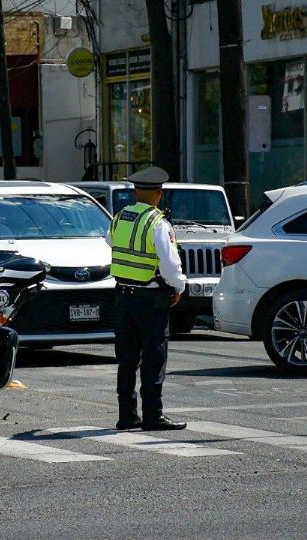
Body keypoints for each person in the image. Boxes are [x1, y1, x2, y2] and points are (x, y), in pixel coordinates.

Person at [107, 166, 188, 431]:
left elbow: (111, 242)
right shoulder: (158, 222)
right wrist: (179, 287)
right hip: (150, 298)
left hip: (122, 297)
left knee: (127, 359)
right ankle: (153, 416)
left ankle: (127, 415)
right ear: (159, 194)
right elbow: (170, 264)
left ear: (135, 191)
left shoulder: (120, 217)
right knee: (154, 358)